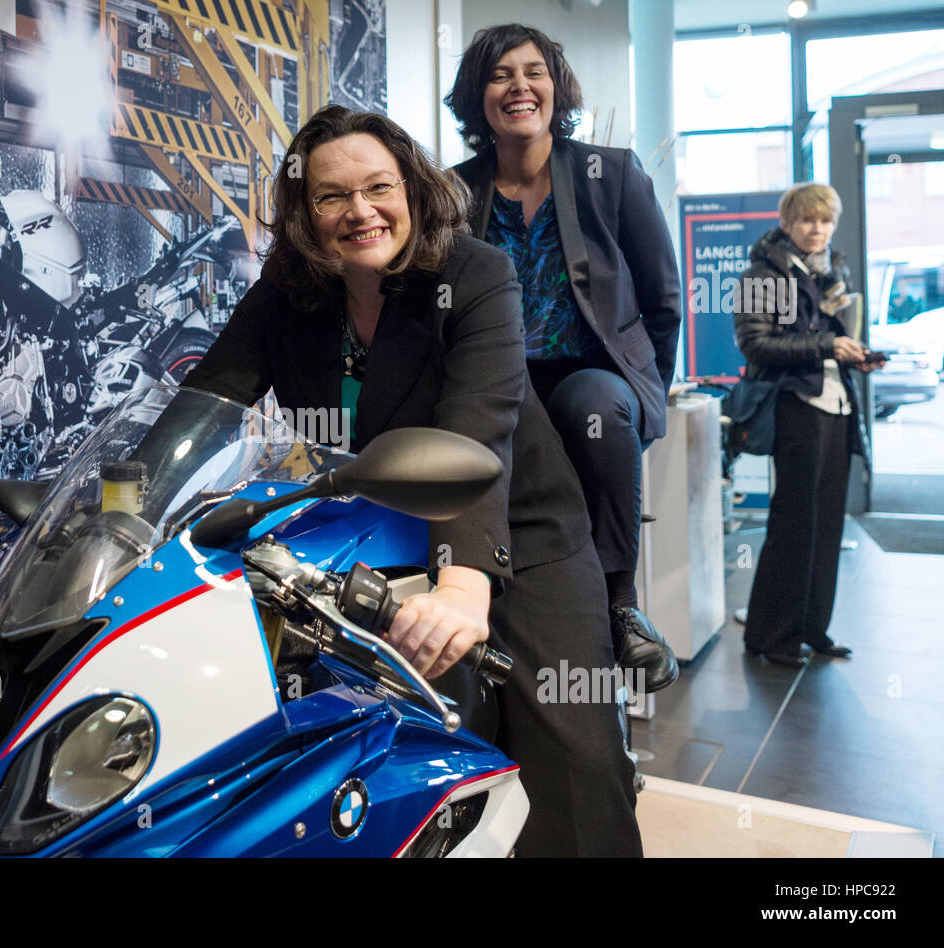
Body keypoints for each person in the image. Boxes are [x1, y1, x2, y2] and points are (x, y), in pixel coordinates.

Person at [180, 104, 642, 857]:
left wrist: (461, 584)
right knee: (392, 772)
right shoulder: (287, 293)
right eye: (331, 196)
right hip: (375, 537)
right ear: (304, 212)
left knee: (576, 758)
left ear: (413, 190)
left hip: (518, 535)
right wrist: (117, 502)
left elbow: (472, 432)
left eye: (378, 187)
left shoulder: (475, 272)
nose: (360, 211)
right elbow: (204, 405)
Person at [445, 24, 680, 690]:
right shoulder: (454, 192)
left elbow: (662, 301)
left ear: (555, 87)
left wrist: (644, 394)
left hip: (593, 372)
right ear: (476, 97)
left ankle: (620, 604)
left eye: (533, 71)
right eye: (499, 75)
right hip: (501, 379)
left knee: (595, 405)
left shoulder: (612, 174)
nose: (519, 86)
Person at [734, 184, 880, 667]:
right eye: (807, 221)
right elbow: (756, 346)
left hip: (837, 406)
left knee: (826, 526)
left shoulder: (831, 272)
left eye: (825, 222)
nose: (817, 230)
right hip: (796, 406)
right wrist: (826, 347)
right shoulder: (762, 274)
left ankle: (813, 628)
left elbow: (834, 337)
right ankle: (770, 637)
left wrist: (853, 353)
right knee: (793, 525)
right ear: (787, 222)